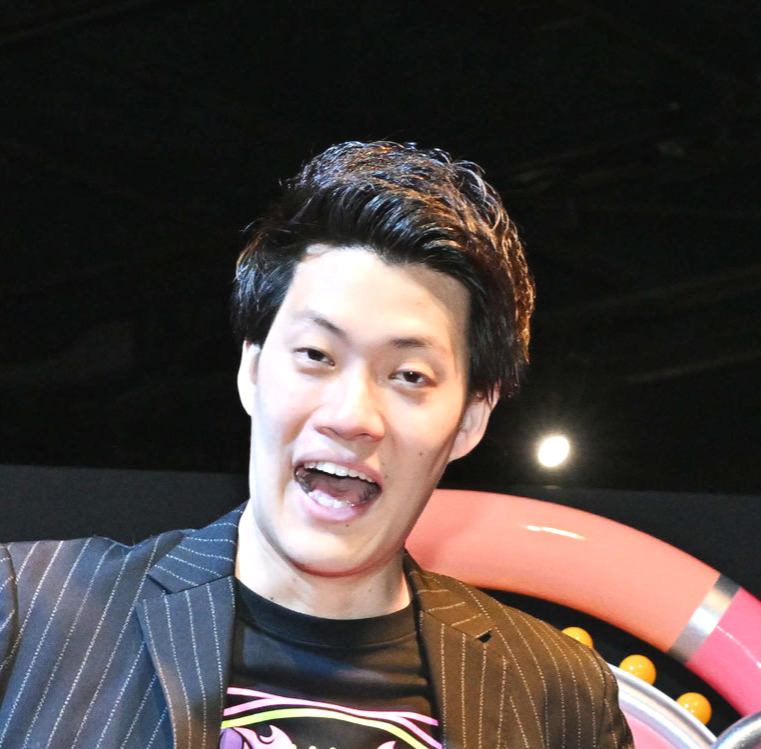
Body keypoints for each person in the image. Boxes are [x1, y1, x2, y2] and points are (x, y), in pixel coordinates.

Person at [0, 142, 633, 748]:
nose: (352, 416)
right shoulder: (30, 610)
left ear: (471, 418)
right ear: (251, 369)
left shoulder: (561, 697)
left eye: (409, 376)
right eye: (316, 355)